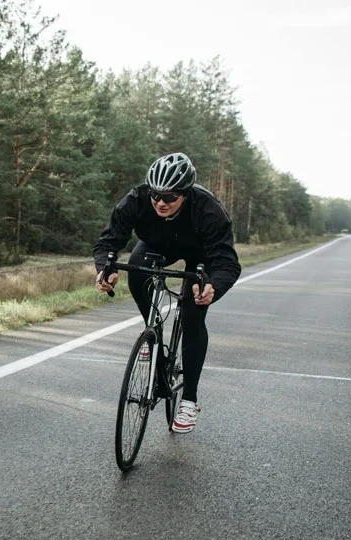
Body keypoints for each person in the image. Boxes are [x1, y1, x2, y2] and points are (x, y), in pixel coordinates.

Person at [93, 152, 241, 433]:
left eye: (170, 197)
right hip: (155, 245)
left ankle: (189, 399)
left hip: (200, 255)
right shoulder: (136, 199)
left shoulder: (209, 210)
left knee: (192, 313)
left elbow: (227, 262)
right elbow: (108, 242)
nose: (161, 202)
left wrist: (214, 287)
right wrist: (105, 269)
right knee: (136, 272)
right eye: (156, 195)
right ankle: (154, 337)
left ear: (185, 194)